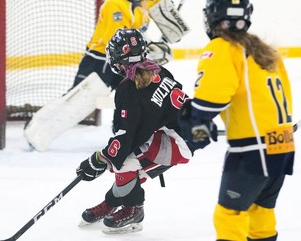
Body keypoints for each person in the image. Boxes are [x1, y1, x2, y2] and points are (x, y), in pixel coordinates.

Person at [177, 0, 295, 241]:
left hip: (252, 151)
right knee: (260, 213)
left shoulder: (222, 48)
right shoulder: (266, 50)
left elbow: (210, 101)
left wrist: (194, 120)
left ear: (211, 17)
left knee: (229, 215)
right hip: (282, 146)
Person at [76, 28, 212, 234]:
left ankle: (134, 210)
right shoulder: (158, 70)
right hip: (193, 131)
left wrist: (99, 159)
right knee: (131, 168)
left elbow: (126, 138)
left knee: (126, 161)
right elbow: (145, 124)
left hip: (180, 141)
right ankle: (111, 203)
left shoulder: (129, 89)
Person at [72, 0, 177, 91]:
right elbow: (119, 42)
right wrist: (148, 51)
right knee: (83, 100)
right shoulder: (114, 4)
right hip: (100, 59)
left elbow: (161, 2)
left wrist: (170, 15)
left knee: (130, 97)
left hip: (127, 61)